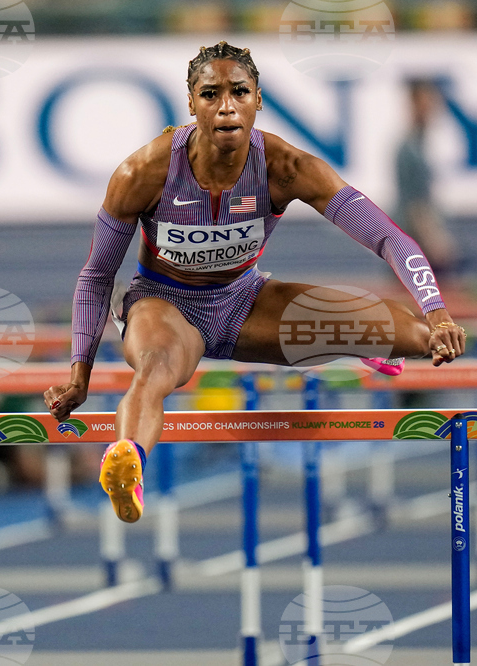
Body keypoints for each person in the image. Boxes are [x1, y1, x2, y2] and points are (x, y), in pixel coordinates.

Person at [43, 42, 466, 524]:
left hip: (245, 302)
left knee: (414, 336)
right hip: (165, 306)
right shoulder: (142, 173)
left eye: (239, 92)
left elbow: (387, 236)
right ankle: (127, 460)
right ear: (191, 103)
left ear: (258, 99)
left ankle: (352, 344)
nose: (226, 106)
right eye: (210, 94)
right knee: (155, 369)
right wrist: (79, 374)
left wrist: (435, 310)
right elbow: (97, 276)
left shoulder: (287, 167)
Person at [395, 78, 457, 274]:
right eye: (426, 103)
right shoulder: (409, 149)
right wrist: (434, 239)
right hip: (414, 244)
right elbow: (415, 203)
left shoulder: (420, 145)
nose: (430, 109)